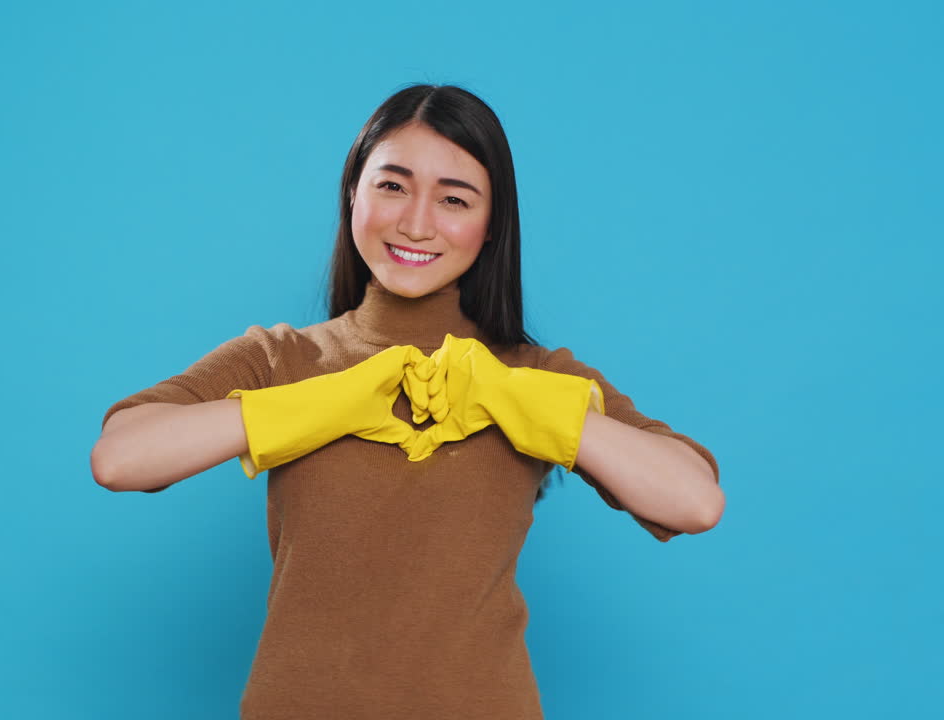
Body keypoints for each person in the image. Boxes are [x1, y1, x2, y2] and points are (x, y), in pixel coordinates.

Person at [91, 84, 723, 720]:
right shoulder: (281, 359)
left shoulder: (532, 374)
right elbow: (121, 457)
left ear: (492, 224)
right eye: (392, 185)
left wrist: (514, 398)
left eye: (454, 199)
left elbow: (694, 501)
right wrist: (328, 402)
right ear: (353, 194)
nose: (416, 223)